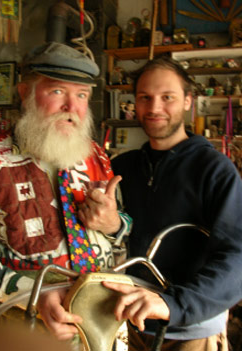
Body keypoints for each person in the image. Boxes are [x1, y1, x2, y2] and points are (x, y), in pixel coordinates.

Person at [0, 42, 131, 340]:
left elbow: (123, 229)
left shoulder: (97, 156)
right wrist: (35, 294)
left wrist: (116, 225)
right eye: (57, 92)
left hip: (104, 324)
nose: (71, 107)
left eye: (81, 95)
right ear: (25, 93)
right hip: (23, 328)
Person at [103, 56, 242, 351]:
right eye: (145, 98)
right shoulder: (121, 168)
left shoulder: (214, 169)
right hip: (130, 324)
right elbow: (117, 238)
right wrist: (112, 227)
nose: (154, 108)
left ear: (188, 101)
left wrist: (174, 304)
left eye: (167, 97)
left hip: (191, 330)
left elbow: (237, 256)